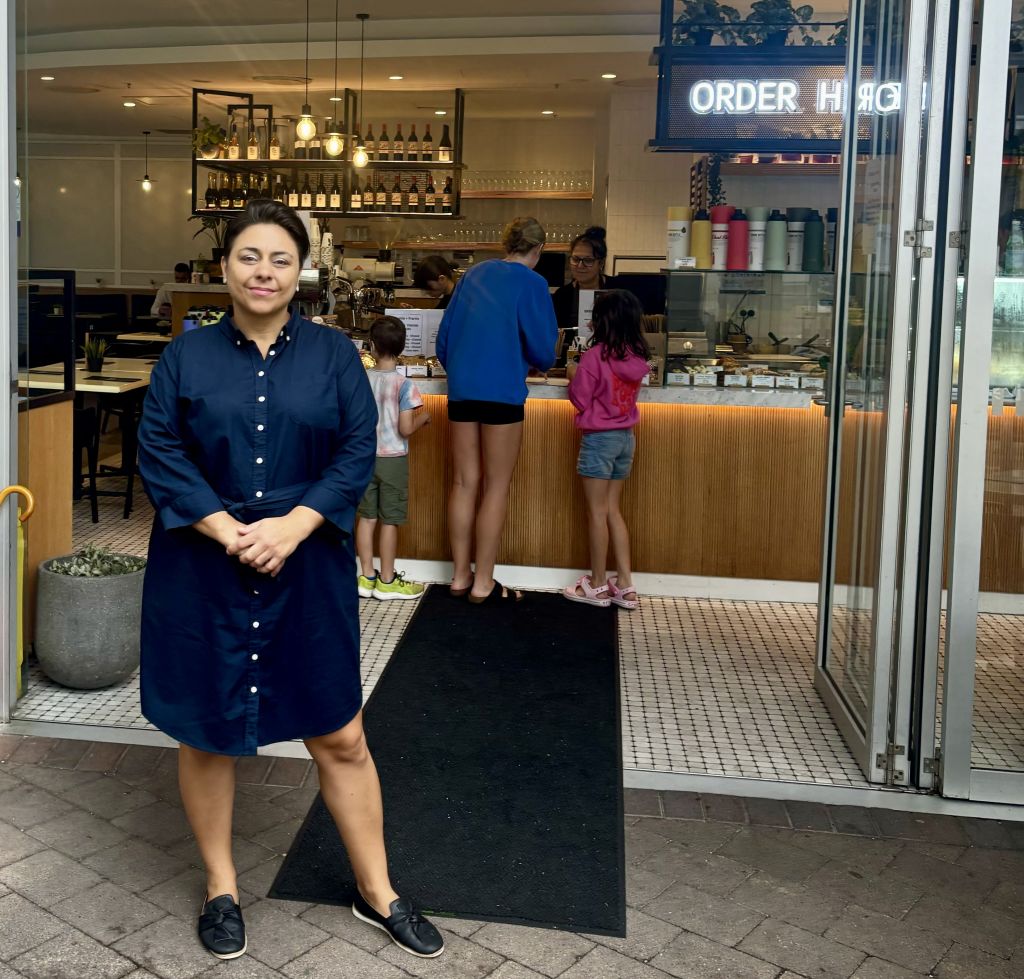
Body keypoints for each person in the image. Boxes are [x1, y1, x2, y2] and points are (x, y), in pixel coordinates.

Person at [137, 199, 444, 962]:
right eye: (249, 256)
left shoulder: (335, 355)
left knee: (339, 729)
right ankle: (220, 886)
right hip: (206, 566)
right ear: (225, 267)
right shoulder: (186, 356)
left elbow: (353, 452)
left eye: (279, 258)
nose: (264, 271)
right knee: (208, 732)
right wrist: (225, 527)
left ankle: (378, 889)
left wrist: (293, 526)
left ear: (300, 269)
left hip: (304, 567)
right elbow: (160, 449)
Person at [435, 216, 558, 604]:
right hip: (502, 390)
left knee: (463, 481)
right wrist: (533, 361)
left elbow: (444, 338)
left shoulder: (473, 274)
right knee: (496, 485)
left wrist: (462, 369)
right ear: (538, 251)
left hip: (462, 389)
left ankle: (458, 576)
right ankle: (484, 581)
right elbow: (543, 349)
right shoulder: (534, 283)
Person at [563, 289, 649, 610]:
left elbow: (581, 398)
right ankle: (625, 585)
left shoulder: (594, 356)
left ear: (602, 321)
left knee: (597, 512)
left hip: (599, 440)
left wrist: (573, 374)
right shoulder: (637, 358)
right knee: (613, 510)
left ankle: (597, 584)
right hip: (626, 437)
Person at [356, 315, 431, 600]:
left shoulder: (363, 380)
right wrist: (424, 417)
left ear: (372, 347)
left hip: (365, 458)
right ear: (402, 348)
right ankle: (387, 580)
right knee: (389, 520)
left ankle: (366, 577)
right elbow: (404, 429)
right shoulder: (404, 385)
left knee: (366, 518)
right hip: (393, 459)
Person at [551, 226, 617, 343]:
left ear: (601, 263)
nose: (580, 266)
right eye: (576, 259)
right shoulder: (562, 295)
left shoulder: (617, 291)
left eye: (588, 260)